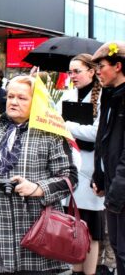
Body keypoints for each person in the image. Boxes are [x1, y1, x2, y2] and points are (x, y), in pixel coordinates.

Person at [0, 75, 78, 274]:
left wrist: (37, 188)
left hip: (37, 232)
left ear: (36, 102)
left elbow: (69, 178)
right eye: (10, 96)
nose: (13, 102)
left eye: (22, 98)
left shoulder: (50, 134)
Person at [57, 53, 105, 275]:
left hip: (92, 170)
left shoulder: (104, 97)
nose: (72, 76)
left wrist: (68, 126)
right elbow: (54, 122)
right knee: (72, 228)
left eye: (77, 71)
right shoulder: (67, 95)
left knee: (92, 230)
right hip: (70, 168)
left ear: (91, 71)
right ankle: (75, 270)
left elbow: (98, 133)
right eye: (70, 71)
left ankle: (90, 272)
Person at [92, 41, 125, 275]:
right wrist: (99, 175)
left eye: (101, 66)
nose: (97, 72)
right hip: (112, 186)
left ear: (118, 66)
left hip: (121, 190)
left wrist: (116, 190)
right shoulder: (109, 96)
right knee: (118, 246)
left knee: (123, 250)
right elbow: (102, 140)